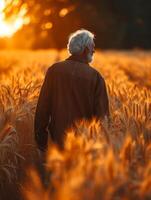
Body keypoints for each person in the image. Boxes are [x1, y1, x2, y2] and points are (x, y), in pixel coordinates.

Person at [34, 29, 110, 152]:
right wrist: (101, 145)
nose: (94, 50)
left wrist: (41, 140)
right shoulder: (95, 77)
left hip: (57, 139)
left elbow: (43, 107)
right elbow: (102, 116)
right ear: (85, 49)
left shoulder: (54, 71)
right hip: (85, 143)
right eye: (92, 47)